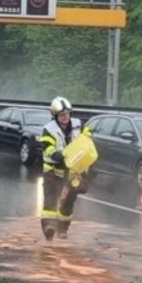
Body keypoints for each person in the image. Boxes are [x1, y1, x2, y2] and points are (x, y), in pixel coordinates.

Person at [39, 96, 84, 240]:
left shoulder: (78, 125)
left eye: (67, 114)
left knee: (69, 201)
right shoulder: (48, 130)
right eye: (62, 115)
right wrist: (56, 154)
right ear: (55, 116)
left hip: (73, 171)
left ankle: (63, 229)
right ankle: (49, 228)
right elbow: (47, 147)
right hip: (53, 170)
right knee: (50, 201)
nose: (65, 117)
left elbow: (87, 136)